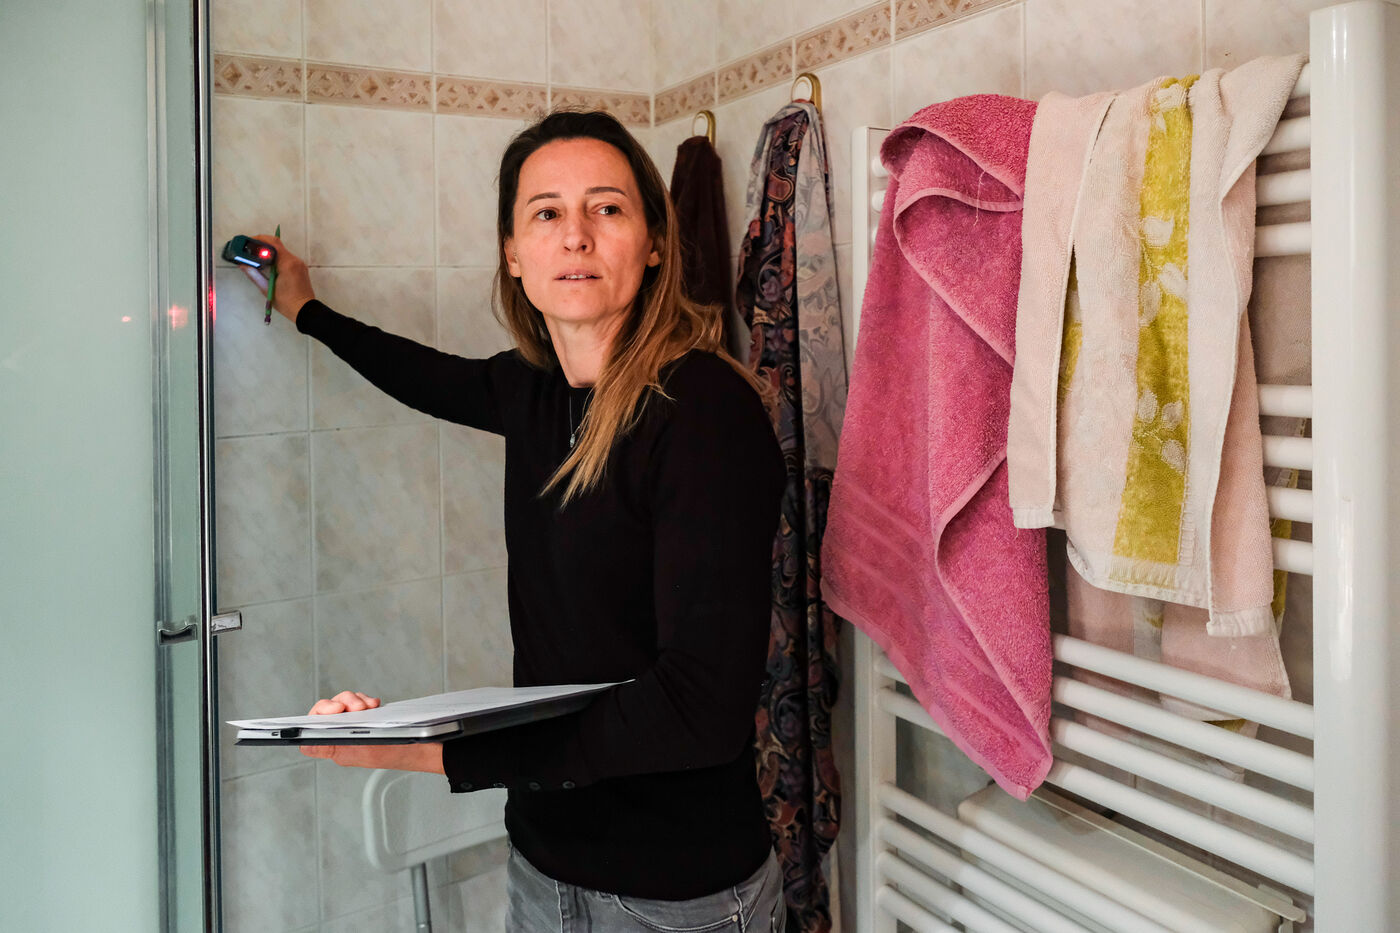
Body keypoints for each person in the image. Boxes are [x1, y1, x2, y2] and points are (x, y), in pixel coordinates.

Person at [239, 110, 787, 932]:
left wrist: (428, 750)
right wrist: (305, 307)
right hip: (542, 861)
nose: (575, 235)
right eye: (546, 212)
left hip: (674, 892)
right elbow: (419, 373)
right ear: (513, 254)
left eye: (607, 208)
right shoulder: (531, 391)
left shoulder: (703, 413)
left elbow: (696, 710)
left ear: (653, 243)